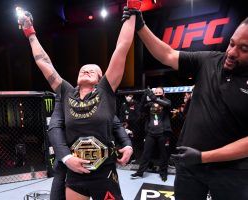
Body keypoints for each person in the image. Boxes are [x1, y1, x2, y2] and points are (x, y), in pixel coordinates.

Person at [123, 9, 248, 200]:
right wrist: (141, 26)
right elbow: (168, 54)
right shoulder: (210, 60)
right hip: (189, 167)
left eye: (243, 49)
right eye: (231, 43)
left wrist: (203, 156)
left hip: (232, 171)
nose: (231, 52)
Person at [18, 2, 137, 199]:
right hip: (74, 171)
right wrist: (30, 33)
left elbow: (122, 49)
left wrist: (132, 12)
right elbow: (43, 62)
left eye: (93, 69)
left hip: (103, 172)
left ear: (101, 79)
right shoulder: (65, 92)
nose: (87, 69)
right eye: (83, 69)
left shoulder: (105, 91)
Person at [130, 87, 172, 181]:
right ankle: (140, 172)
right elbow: (141, 108)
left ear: (163, 93)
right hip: (151, 132)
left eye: (159, 92)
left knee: (163, 154)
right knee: (146, 153)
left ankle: (163, 173)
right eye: (156, 92)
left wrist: (153, 97)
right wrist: (145, 95)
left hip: (163, 132)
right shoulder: (150, 103)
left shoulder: (167, 102)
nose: (157, 93)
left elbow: (167, 105)